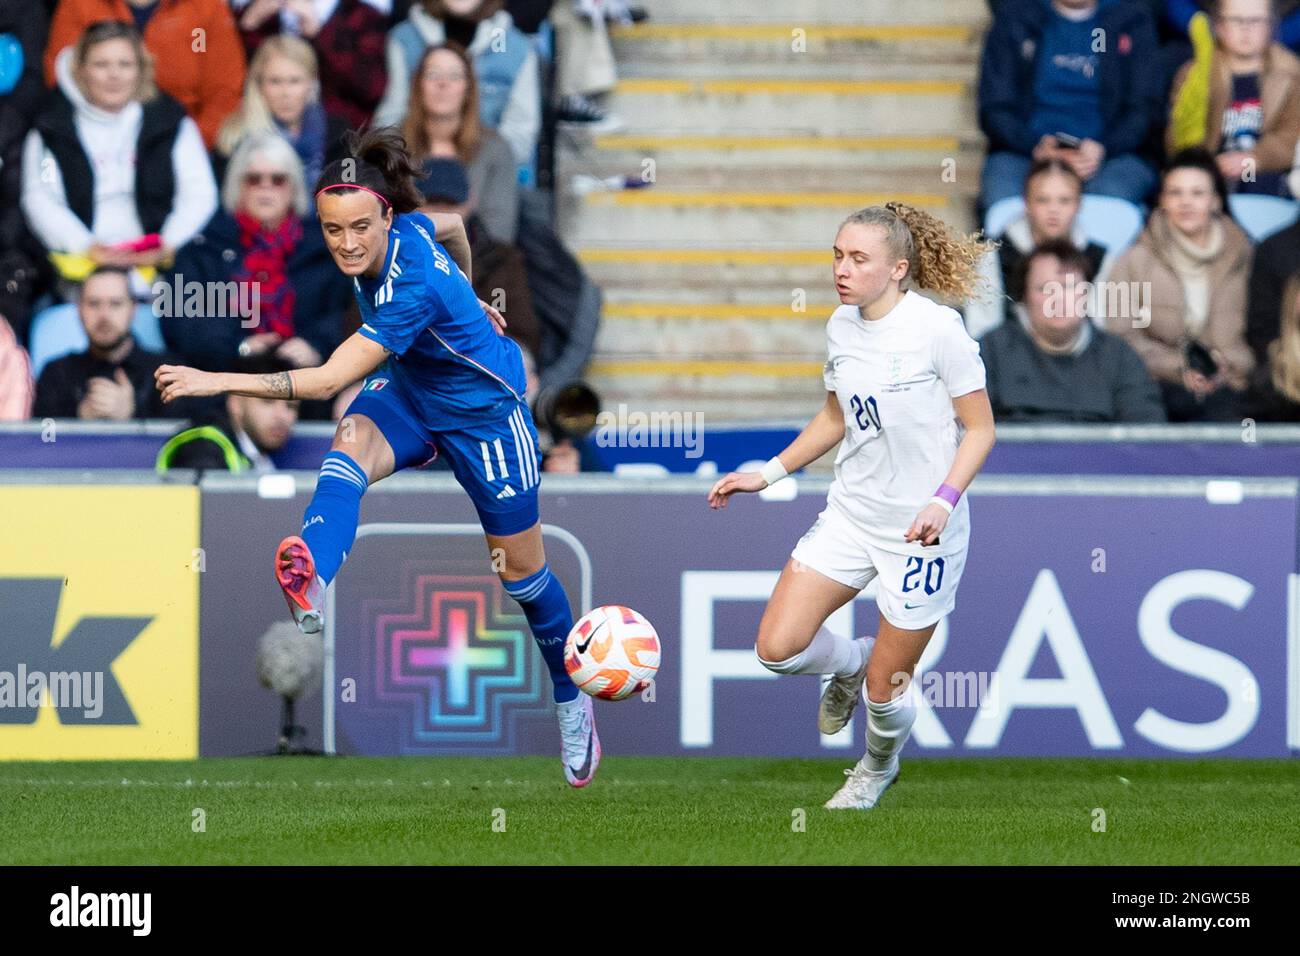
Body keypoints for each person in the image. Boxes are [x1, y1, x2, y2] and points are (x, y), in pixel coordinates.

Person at [154, 127, 602, 787]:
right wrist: (471, 296)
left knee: (523, 578)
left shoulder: (408, 283)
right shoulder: (416, 229)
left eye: (360, 227)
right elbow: (452, 227)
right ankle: (313, 573)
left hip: (486, 415)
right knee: (350, 444)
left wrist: (214, 380)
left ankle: (572, 699)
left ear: (386, 217)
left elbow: (327, 379)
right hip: (416, 391)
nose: (347, 244)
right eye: (333, 230)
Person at [706, 203, 997, 811]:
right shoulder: (841, 325)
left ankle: (875, 768)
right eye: (838, 255)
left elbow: (980, 431)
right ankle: (848, 664)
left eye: (858, 258)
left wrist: (943, 501)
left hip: (923, 532)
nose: (842, 268)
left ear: (897, 268)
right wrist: (770, 471)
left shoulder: (939, 329)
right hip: (852, 513)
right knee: (776, 651)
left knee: (886, 694)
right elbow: (837, 415)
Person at [161, 133, 351, 378]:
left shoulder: (323, 249)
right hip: (223, 379)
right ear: (236, 185)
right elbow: (180, 320)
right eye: (253, 179)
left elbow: (343, 314)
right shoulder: (204, 248)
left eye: (278, 179)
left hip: (308, 380)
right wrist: (241, 346)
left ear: (293, 188)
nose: (266, 187)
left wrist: (315, 345)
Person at [1103, 148, 1255, 420]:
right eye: (1175, 193)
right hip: (1159, 384)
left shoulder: (1247, 257)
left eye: (1197, 193)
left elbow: (1263, 333)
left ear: (1216, 200)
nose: (1186, 202)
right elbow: (1121, 337)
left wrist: (1226, 367)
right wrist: (1180, 368)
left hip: (1233, 384)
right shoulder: (1132, 260)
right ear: (1162, 200)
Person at [978, 0, 1163, 209]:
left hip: (1111, 155)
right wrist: (1034, 146)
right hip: (1026, 152)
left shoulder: (1131, 18)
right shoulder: (1016, 16)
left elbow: (1144, 108)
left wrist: (1103, 148)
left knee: (1110, 207)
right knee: (1004, 207)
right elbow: (994, 107)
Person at [980, 239, 1167, 421]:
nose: (1058, 299)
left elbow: (1146, 438)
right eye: (1045, 288)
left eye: (1069, 287)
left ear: (1087, 295)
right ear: (1024, 296)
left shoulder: (1120, 357)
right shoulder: (990, 352)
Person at [964, 158, 1117, 338]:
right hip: (1007, 361)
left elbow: (1102, 328)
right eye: (1043, 200)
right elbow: (980, 328)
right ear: (1026, 203)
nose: (1054, 209)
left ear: (1079, 204)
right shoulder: (994, 256)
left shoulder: (1099, 258)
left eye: (1064, 200)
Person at [1167, 0, 1300, 197]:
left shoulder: (1291, 73)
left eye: (1255, 21)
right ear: (1218, 26)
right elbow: (1178, 135)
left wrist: (1254, 158)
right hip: (1210, 169)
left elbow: (1292, 135)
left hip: (1263, 169)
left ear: (1270, 26)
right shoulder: (1195, 73)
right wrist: (1207, 164)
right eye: (1236, 20)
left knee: (1252, 185)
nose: (1245, 29)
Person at [33, 266, 175, 419]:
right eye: (94, 303)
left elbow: (182, 436)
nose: (104, 315)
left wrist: (133, 414)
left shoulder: (168, 374)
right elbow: (40, 439)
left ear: (133, 309)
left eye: (115, 303)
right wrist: (78, 417)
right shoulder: (56, 374)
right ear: (79, 309)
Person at [215, 34, 350, 187]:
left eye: (295, 81)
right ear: (259, 85)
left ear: (312, 83)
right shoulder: (235, 138)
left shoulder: (339, 135)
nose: (285, 93)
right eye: (275, 81)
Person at [156, 357, 300, 471]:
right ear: (236, 404)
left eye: (291, 406)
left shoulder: (259, 454)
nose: (282, 416)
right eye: (267, 402)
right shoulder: (202, 449)